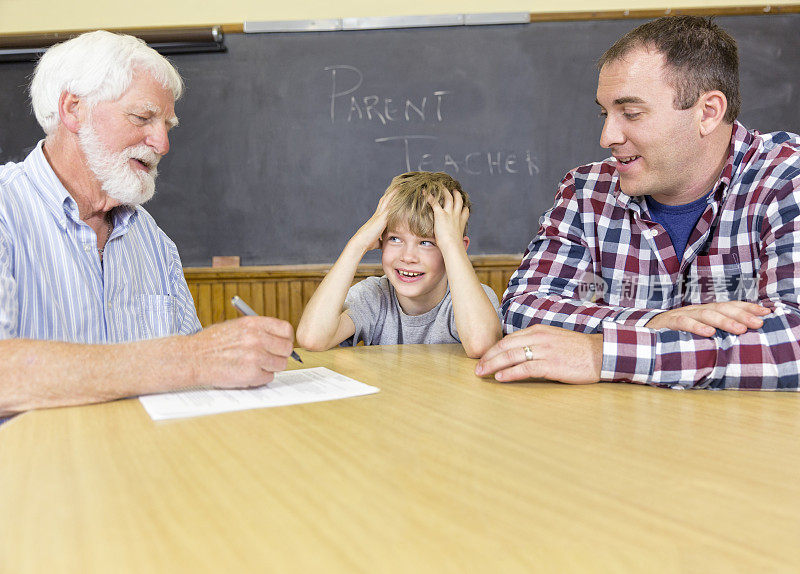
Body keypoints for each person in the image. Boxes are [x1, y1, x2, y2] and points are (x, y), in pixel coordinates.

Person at [476, 16, 800, 390]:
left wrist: (602, 354)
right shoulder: (587, 190)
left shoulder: (787, 179)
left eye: (630, 113)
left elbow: (792, 338)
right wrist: (651, 323)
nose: (607, 136)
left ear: (708, 112)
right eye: (605, 113)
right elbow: (523, 308)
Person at [0, 31, 294, 419]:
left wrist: (225, 363)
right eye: (143, 117)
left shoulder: (154, 243)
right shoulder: (6, 210)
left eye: (168, 125)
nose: (162, 143)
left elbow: (192, 382)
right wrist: (193, 357)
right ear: (73, 109)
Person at [296, 171, 502, 358]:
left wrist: (451, 244)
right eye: (395, 239)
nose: (408, 256)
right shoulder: (374, 297)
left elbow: (482, 346)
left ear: (457, 248)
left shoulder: (475, 299)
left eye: (426, 242)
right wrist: (356, 245)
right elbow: (313, 338)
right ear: (379, 239)